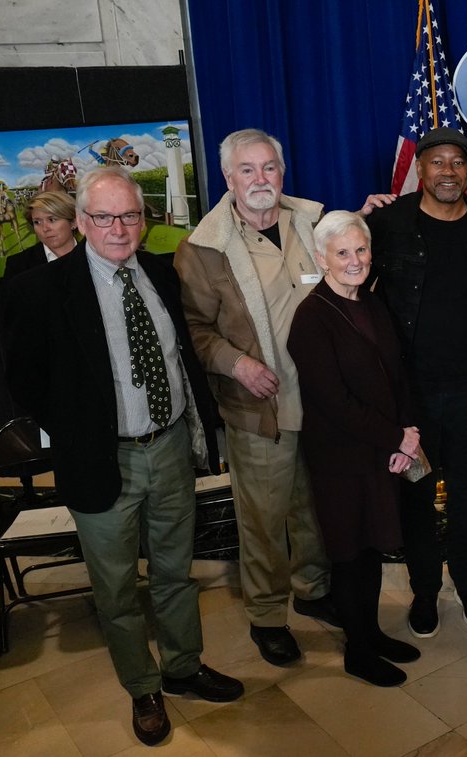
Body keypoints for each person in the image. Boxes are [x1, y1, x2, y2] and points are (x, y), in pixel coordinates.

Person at [5, 167, 242, 747]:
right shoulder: (41, 290)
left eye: (130, 215)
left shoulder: (161, 274)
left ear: (144, 218)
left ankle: (183, 668)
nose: (119, 228)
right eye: (105, 217)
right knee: (115, 589)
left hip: (168, 451)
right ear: (82, 222)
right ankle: (143, 687)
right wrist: (74, 433)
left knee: (174, 574)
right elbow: (24, 380)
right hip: (100, 461)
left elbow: (182, 356)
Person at [175, 128, 335, 667]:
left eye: (269, 168)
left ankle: (314, 591)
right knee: (263, 518)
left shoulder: (312, 222)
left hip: (322, 402)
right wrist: (237, 363)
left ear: (282, 173)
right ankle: (267, 616)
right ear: (228, 178)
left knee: (312, 508)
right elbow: (195, 330)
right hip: (258, 405)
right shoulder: (203, 248)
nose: (260, 179)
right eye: (247, 170)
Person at [364, 128, 467, 637]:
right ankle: (424, 592)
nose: (448, 172)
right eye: (437, 162)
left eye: (458, 163)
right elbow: (340, 265)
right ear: (418, 170)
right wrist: (360, 218)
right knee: (417, 499)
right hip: (411, 400)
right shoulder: (387, 224)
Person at [287, 211, 422, 686]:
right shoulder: (311, 317)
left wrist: (409, 431)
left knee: (372, 550)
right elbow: (336, 402)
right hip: (341, 460)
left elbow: (399, 373)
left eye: (360, 250)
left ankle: (373, 635)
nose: (354, 260)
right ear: (322, 257)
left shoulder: (372, 301)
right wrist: (396, 438)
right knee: (349, 556)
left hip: (382, 453)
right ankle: (358, 652)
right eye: (342, 252)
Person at [4, 190, 78, 281]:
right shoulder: (18, 265)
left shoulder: (95, 255)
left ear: (74, 222)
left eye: (52, 219)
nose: (45, 229)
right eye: (37, 222)